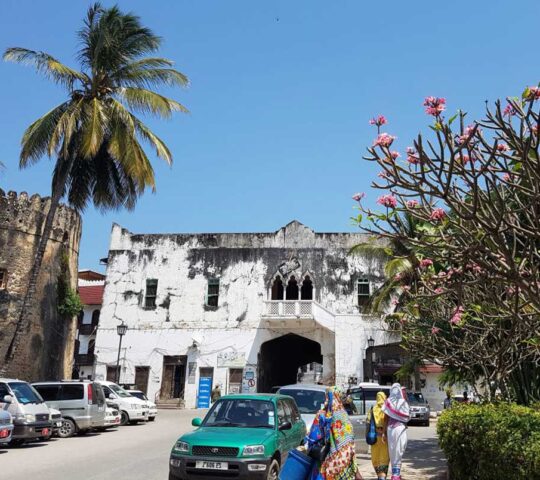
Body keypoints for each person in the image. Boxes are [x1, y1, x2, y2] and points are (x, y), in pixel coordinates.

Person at [306, 386, 362, 480]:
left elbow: (313, 437)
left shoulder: (322, 415)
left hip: (329, 461)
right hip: (345, 459)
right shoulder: (344, 415)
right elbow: (350, 439)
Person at [382, 383, 410, 480]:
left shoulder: (388, 402)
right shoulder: (403, 402)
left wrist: (384, 433)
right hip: (400, 428)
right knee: (399, 451)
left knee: (393, 451)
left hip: (390, 429)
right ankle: (396, 475)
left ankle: (395, 474)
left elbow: (385, 418)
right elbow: (407, 417)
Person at [368, 392, 390, 480]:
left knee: (376, 457)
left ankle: (379, 476)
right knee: (384, 457)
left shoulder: (372, 408)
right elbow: (387, 421)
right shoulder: (386, 408)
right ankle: (383, 476)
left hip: (374, 437)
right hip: (384, 437)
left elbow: (368, 422)